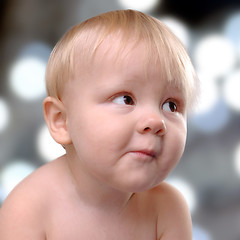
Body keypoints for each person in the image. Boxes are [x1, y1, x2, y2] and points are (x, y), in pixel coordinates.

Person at [0, 9, 198, 239]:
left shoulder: (167, 208)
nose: (156, 121)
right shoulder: (30, 208)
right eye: (126, 99)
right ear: (61, 121)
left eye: (171, 105)